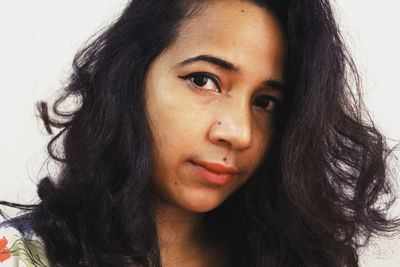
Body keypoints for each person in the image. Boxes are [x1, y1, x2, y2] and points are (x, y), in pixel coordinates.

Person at [0, 0, 398, 266]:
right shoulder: (22, 257)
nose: (239, 133)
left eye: (265, 102)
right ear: (130, 77)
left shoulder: (301, 258)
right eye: (204, 80)